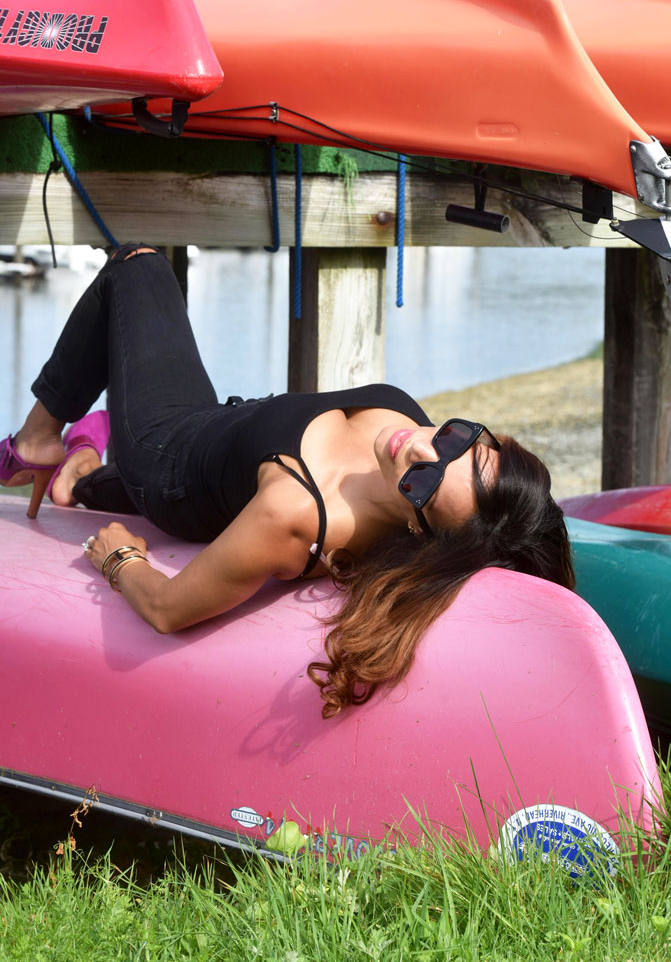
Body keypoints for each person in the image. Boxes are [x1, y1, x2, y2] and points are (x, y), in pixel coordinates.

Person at [1, 244, 575, 717]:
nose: (419, 444)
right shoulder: (407, 439)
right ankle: (77, 479)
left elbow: (168, 610)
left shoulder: (295, 516)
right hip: (217, 426)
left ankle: (36, 442)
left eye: (422, 484)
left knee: (139, 266)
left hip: (165, 456)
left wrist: (120, 559)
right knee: (105, 482)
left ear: (418, 527)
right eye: (456, 441)